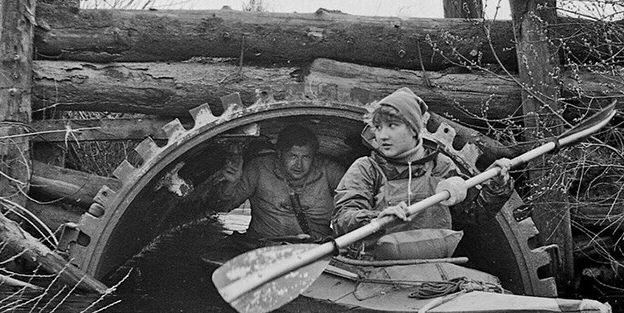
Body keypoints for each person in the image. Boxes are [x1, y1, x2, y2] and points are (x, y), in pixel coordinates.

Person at [332, 87, 514, 248]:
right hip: (376, 266)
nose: (383, 136)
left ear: (413, 129)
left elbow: (474, 213)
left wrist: (498, 186)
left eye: (392, 126)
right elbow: (342, 218)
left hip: (433, 262)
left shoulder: (440, 166)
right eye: (378, 127)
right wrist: (377, 217)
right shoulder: (366, 168)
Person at [218, 124, 346, 243]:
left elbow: (356, 204)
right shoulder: (259, 168)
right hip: (264, 248)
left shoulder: (329, 171)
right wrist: (231, 184)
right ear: (279, 154)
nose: (299, 165)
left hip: (315, 250)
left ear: (314, 157)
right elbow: (221, 208)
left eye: (306, 157)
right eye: (293, 156)